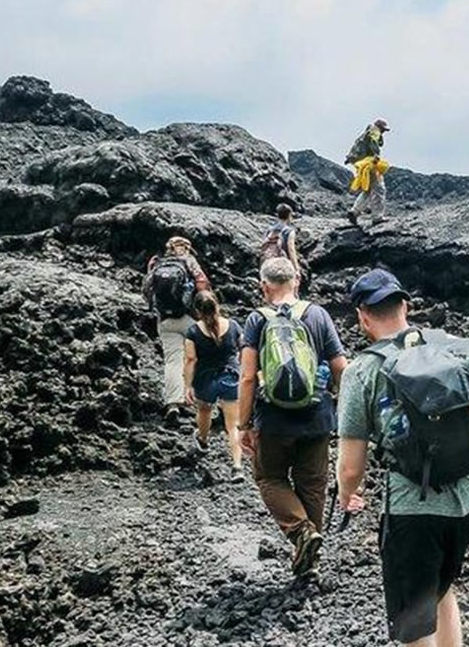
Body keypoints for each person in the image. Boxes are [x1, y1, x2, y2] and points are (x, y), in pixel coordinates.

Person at [336, 268, 469, 646]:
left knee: (414, 623)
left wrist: (348, 494)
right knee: (443, 589)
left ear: (362, 316)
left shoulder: (362, 370)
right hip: (466, 503)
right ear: (406, 306)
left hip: (412, 511)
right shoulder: (462, 352)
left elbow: (350, 466)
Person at [238, 257, 348, 576]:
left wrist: (242, 425)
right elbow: (340, 367)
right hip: (317, 416)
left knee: (269, 477)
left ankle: (301, 532)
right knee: (313, 483)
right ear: (296, 281)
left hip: (272, 419)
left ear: (263, 287)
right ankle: (310, 557)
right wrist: (349, 412)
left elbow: (246, 377)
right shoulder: (318, 314)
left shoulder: (257, 320)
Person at [142, 236, 211, 426]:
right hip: (190, 319)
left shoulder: (157, 263)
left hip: (165, 320)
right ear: (187, 248)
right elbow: (202, 284)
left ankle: (173, 403)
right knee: (197, 358)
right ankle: (195, 401)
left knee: (173, 361)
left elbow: (146, 289)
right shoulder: (189, 261)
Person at [183, 290, 246, 480]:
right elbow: (244, 350)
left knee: (204, 411)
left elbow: (191, 359)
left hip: (205, 379)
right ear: (217, 304)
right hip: (230, 376)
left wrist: (187, 386)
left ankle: (202, 440)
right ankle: (237, 467)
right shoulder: (233, 326)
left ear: (196, 310)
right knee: (233, 426)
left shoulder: (193, 332)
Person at [345, 118, 390, 226]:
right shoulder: (375, 131)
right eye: (384, 129)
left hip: (361, 164)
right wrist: (376, 156)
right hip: (369, 163)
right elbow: (374, 142)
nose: (384, 131)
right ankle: (377, 217)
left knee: (368, 189)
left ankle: (354, 212)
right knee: (379, 189)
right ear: (380, 127)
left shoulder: (367, 131)